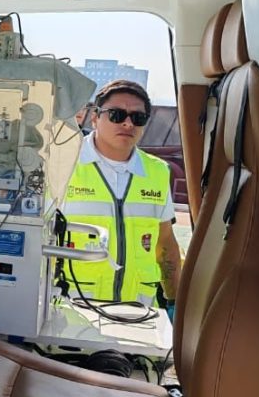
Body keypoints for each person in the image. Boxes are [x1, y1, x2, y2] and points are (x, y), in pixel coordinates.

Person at [61, 80, 182, 320]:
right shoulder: (62, 164)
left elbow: (165, 244)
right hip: (70, 315)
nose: (128, 123)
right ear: (95, 118)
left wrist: (174, 301)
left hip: (138, 314)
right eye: (117, 115)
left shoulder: (157, 172)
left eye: (138, 118)